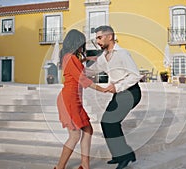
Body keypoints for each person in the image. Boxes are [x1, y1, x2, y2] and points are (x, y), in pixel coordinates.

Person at [86, 25, 142, 169]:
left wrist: (116, 87)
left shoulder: (122, 53)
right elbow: (91, 71)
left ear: (109, 37)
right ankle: (120, 155)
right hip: (120, 93)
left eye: (99, 37)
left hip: (130, 92)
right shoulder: (103, 57)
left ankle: (125, 156)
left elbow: (135, 75)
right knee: (106, 122)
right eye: (96, 38)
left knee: (110, 122)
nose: (97, 41)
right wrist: (74, 64)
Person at [55, 29, 108, 169]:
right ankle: (59, 167)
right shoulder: (69, 57)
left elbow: (78, 70)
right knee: (74, 135)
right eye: (80, 43)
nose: (81, 46)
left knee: (88, 130)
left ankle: (84, 165)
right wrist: (101, 89)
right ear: (75, 43)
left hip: (74, 98)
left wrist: (87, 59)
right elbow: (81, 78)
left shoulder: (71, 58)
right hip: (69, 99)